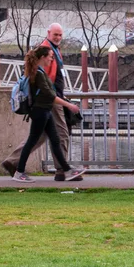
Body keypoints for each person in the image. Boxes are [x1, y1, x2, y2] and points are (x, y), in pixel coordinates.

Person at [2, 23, 76, 180]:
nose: (58, 38)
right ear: (48, 33)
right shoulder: (45, 51)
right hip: (49, 102)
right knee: (60, 134)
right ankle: (62, 170)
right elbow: (44, 83)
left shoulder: (53, 50)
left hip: (49, 101)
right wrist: (65, 102)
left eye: (60, 35)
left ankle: (14, 162)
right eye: (55, 34)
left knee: (44, 136)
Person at [12, 46, 84, 183]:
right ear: (43, 57)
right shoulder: (38, 74)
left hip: (45, 111)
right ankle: (19, 171)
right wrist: (69, 105)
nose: (52, 58)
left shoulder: (39, 72)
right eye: (50, 56)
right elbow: (50, 95)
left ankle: (67, 170)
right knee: (32, 141)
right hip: (40, 112)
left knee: (55, 140)